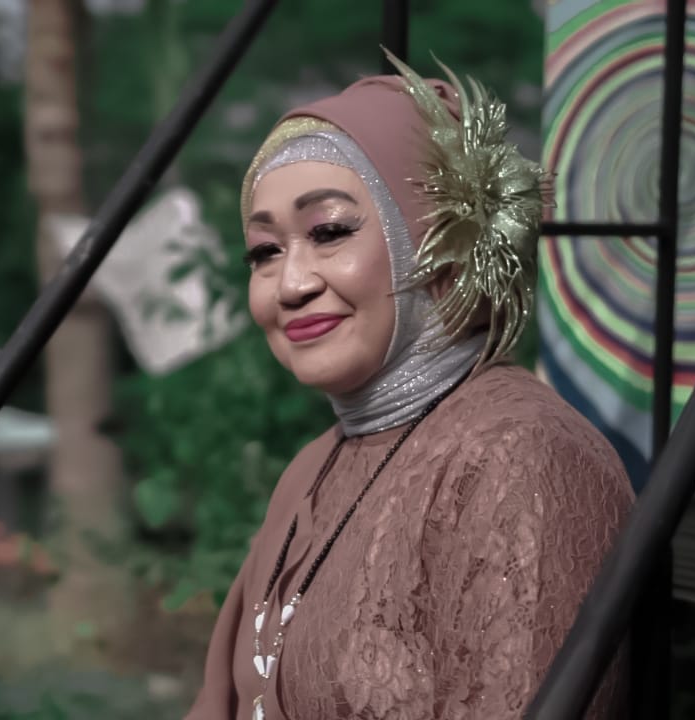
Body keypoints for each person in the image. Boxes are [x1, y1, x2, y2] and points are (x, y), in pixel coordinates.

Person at [183, 51, 634, 720]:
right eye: (265, 251)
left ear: (436, 237)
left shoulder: (524, 457)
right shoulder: (314, 466)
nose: (291, 284)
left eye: (329, 231)